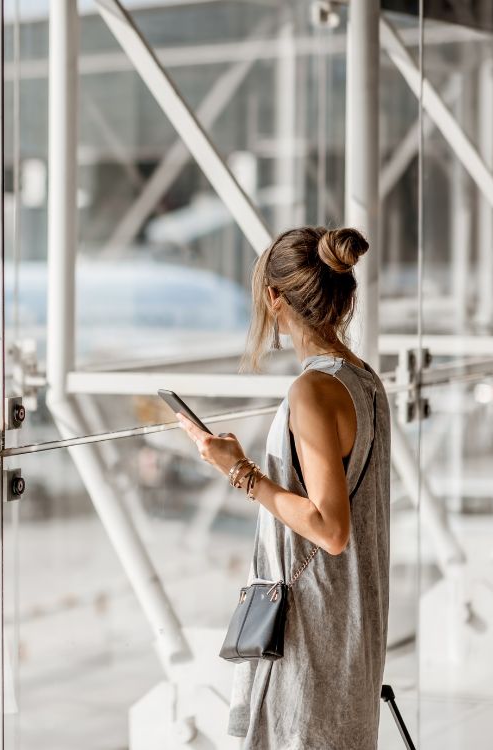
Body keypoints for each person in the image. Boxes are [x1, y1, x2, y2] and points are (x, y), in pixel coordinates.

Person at [175, 226, 392, 749]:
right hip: (350, 621)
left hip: (312, 630)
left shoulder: (312, 389)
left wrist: (240, 472)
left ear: (275, 298)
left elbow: (330, 528)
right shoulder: (365, 381)